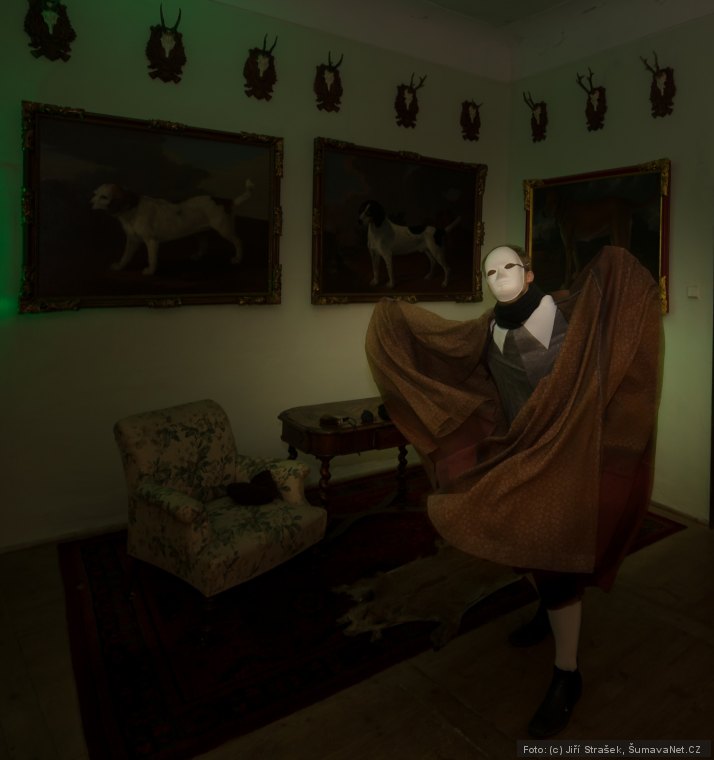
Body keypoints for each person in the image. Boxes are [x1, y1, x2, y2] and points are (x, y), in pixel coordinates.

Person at [365, 243, 661, 738]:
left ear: (529, 273)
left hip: (568, 456)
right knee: (518, 541)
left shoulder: (568, 321)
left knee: (556, 559)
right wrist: (397, 334)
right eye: (490, 272)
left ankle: (567, 673)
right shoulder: (488, 330)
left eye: (509, 267)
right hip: (520, 451)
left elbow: (606, 367)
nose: (499, 276)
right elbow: (450, 355)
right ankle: (546, 611)